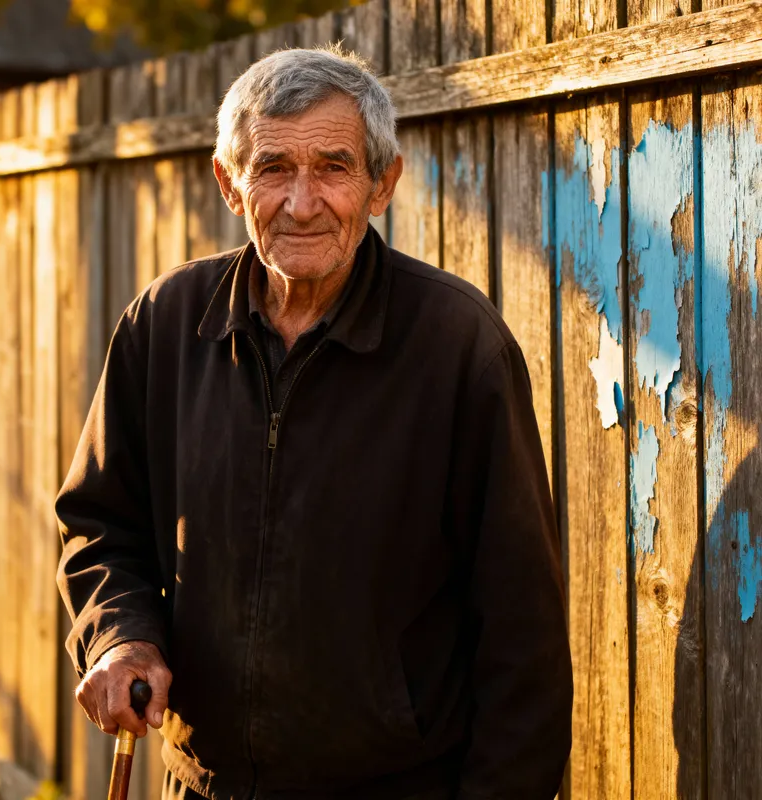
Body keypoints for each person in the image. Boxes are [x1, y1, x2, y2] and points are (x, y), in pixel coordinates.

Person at [56, 46, 573, 800]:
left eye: (333, 167)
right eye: (272, 169)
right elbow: (98, 518)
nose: (302, 202)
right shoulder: (166, 325)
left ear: (381, 185)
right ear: (229, 184)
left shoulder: (460, 348)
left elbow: (522, 635)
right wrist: (118, 632)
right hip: (204, 785)